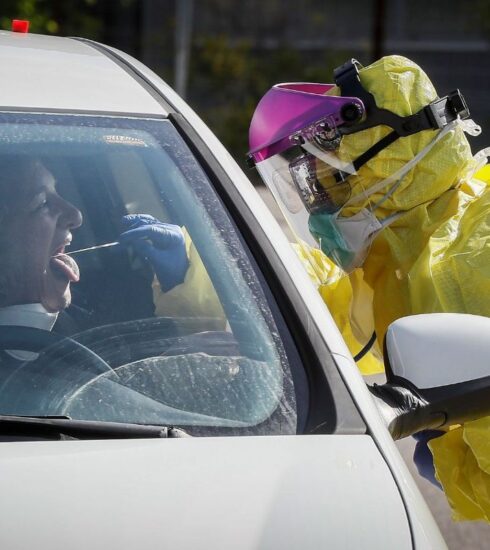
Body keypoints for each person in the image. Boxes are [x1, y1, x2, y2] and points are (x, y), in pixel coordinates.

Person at [248, 55, 490, 521]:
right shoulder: (407, 246)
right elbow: (324, 307)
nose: (321, 208)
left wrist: (460, 459)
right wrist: (202, 265)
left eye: (332, 183)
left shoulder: (468, 261)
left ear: (385, 169)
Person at [0, 156, 197, 364]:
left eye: (58, 192)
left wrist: (180, 283)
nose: (75, 215)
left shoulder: (108, 312)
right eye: (42, 204)